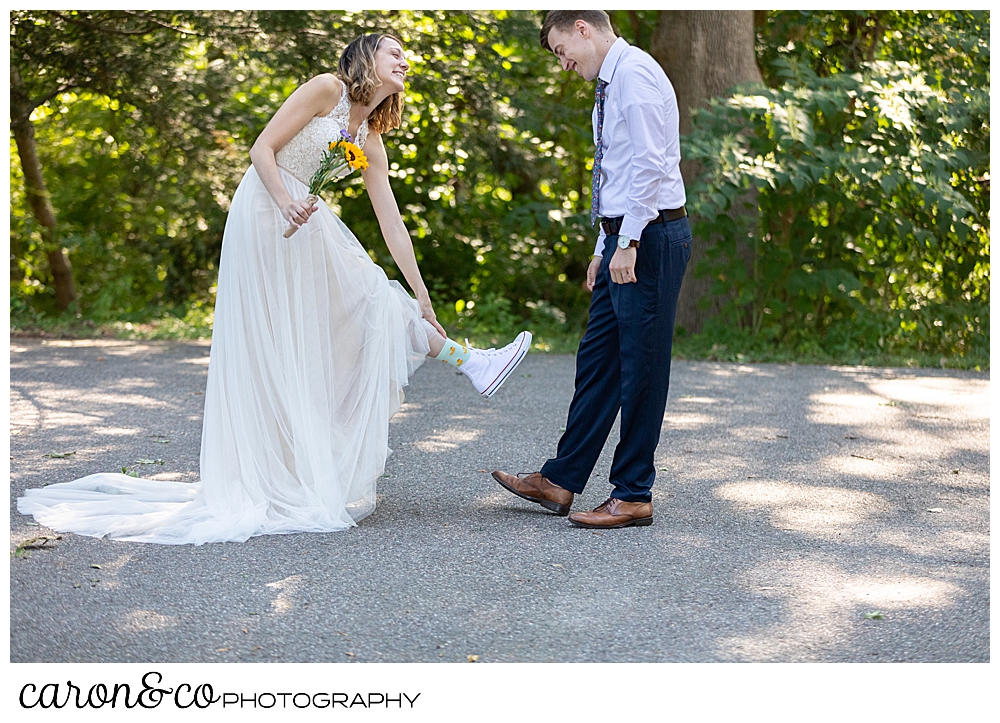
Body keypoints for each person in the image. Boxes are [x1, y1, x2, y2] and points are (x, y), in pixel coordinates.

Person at [17, 33, 531, 545]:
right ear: (365, 58)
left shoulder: (370, 138)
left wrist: (422, 296)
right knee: (346, 308)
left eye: (405, 55)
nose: (404, 60)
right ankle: (472, 364)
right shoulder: (327, 89)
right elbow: (261, 147)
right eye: (393, 51)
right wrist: (286, 201)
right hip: (268, 207)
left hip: (304, 218)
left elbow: (392, 222)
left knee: (358, 316)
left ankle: (454, 372)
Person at [492, 10, 691, 529]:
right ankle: (561, 479)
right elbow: (615, 170)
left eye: (562, 51)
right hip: (623, 238)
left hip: (648, 238)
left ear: (582, 27)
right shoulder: (611, 81)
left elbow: (650, 165)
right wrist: (604, 245)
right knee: (598, 361)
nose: (563, 64)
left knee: (642, 368)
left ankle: (633, 494)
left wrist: (628, 242)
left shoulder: (636, 74)